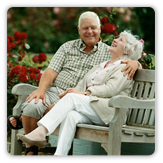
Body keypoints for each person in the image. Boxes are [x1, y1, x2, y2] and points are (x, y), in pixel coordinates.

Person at [8, 11, 141, 155]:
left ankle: (40, 131)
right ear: (79, 30)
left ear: (100, 29)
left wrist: (136, 63)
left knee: (70, 100)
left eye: (93, 27)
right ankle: (55, 153)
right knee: (58, 111)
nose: (89, 31)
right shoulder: (89, 57)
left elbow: (115, 82)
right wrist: (49, 91)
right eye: (85, 28)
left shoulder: (114, 58)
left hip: (100, 106)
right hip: (71, 97)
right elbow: (57, 73)